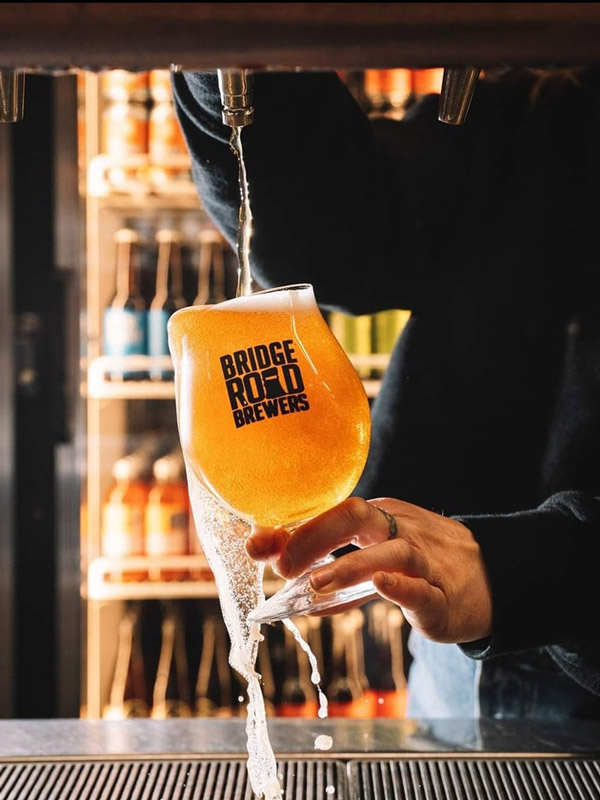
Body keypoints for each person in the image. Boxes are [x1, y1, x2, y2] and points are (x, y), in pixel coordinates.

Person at [171, 67, 600, 718]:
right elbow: (333, 239)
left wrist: (519, 572)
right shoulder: (537, 103)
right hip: (452, 641)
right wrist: (235, 55)